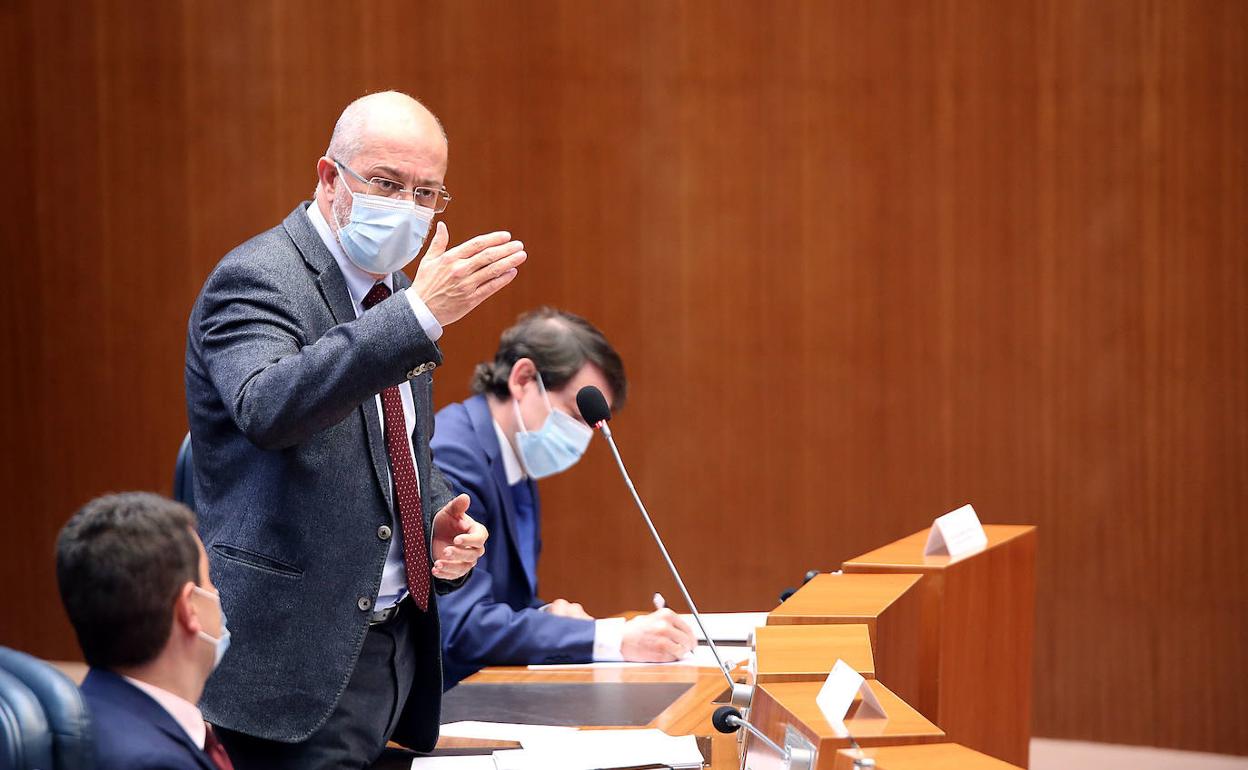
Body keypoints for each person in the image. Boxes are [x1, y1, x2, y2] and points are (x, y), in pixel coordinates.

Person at [185, 91, 523, 768]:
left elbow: (398, 448)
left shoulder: (395, 293)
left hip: (391, 654)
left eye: (427, 193)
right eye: (388, 183)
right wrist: (418, 318)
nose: (408, 208)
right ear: (329, 177)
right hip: (295, 665)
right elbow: (269, 408)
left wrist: (436, 526)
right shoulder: (257, 279)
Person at [432, 308, 696, 687]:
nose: (582, 436)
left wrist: (549, 618)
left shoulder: (515, 458)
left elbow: (507, 602)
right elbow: (462, 626)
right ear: (523, 379)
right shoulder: (453, 455)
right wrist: (612, 638)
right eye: (575, 413)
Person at [56, 492, 234, 770]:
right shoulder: (158, 764)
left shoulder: (80, 719)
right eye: (208, 580)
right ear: (190, 608)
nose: (215, 592)